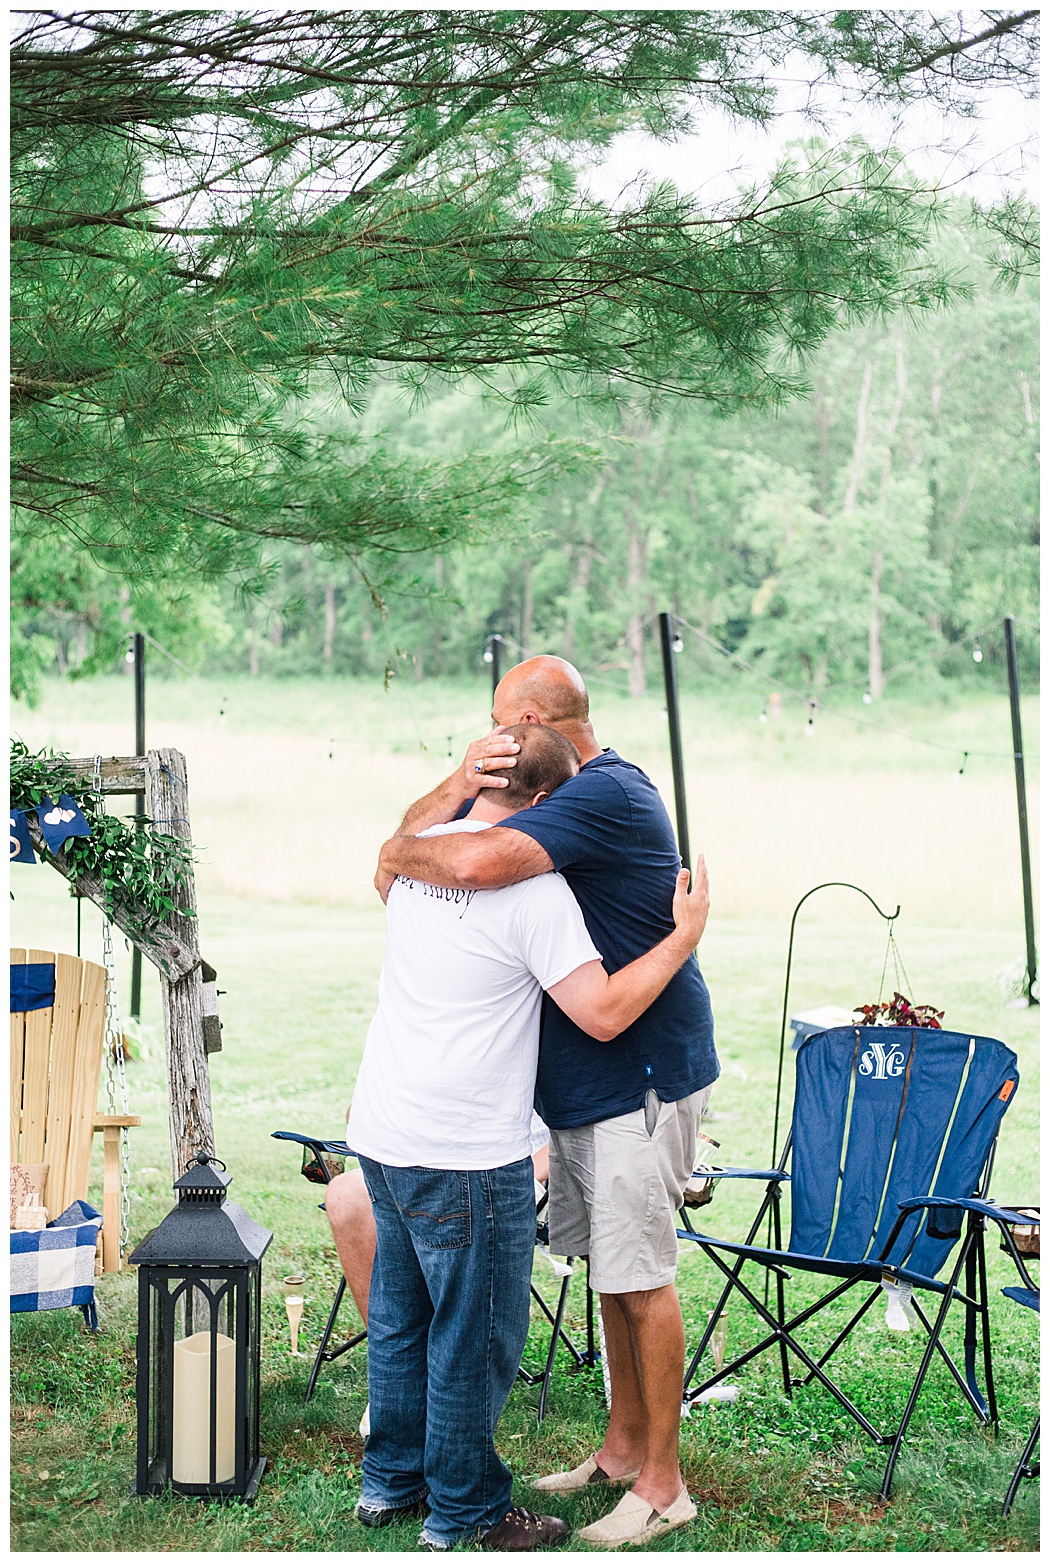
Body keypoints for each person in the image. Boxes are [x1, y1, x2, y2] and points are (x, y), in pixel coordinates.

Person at [375, 656, 719, 1548]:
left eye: (495, 724)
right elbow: (444, 849)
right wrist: (453, 786)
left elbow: (481, 860)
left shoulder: (603, 792)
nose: (487, 739)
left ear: (527, 722)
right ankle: (618, 1450)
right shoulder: (557, 787)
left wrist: (395, 850)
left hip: (637, 1066)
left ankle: (664, 1483)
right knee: (611, 1270)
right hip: (579, 1078)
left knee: (641, 1276)